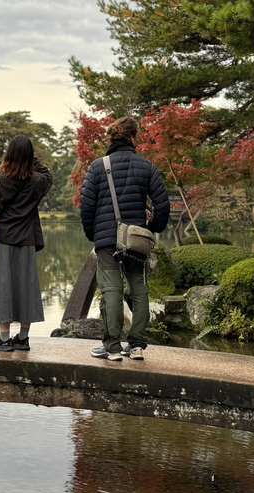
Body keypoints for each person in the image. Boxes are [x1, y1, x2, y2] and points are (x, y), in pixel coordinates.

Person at [79, 117, 170, 361]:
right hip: (136, 240)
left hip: (108, 239)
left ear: (111, 138)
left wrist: (94, 235)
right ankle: (137, 346)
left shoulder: (98, 167)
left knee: (111, 290)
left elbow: (86, 206)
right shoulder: (146, 166)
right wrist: (150, 229)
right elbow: (163, 204)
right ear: (134, 137)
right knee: (139, 290)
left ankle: (113, 348)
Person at [0, 135, 52, 351]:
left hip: (2, 241)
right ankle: (23, 338)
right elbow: (47, 174)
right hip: (26, 241)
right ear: (29, 158)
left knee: (2, 287)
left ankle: (4, 339)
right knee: (26, 286)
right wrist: (32, 160)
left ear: (8, 155)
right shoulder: (37, 181)